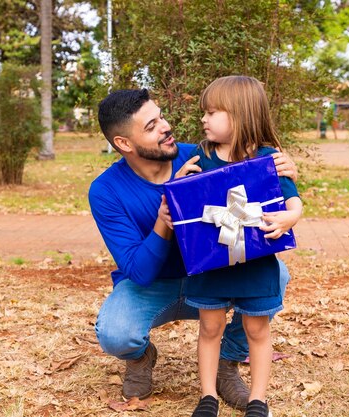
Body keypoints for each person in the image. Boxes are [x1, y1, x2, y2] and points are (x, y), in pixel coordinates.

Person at [89, 88, 298, 411]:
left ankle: (227, 363)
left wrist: (282, 172)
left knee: (276, 276)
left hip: (212, 276)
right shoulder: (106, 191)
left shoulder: (201, 156)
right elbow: (139, 272)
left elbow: (254, 172)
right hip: (154, 285)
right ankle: (141, 358)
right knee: (116, 333)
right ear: (124, 144)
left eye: (161, 117)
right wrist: (164, 218)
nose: (165, 127)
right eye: (151, 126)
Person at [160, 76, 302, 417]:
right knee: (210, 327)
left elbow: (294, 202)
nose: (203, 119)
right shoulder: (200, 156)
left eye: (212, 112)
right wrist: (178, 186)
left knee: (257, 329)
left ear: (238, 115)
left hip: (256, 266)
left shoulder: (269, 159)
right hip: (212, 267)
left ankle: (258, 399)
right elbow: (184, 203)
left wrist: (289, 218)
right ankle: (207, 396)